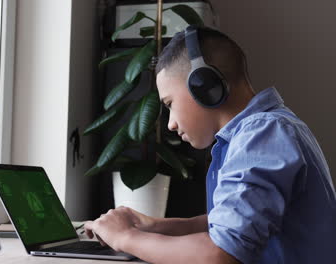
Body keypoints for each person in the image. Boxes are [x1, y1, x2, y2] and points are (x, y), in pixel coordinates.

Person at [84, 26, 336, 264]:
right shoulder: (259, 132)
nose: (170, 124)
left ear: (204, 86)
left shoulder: (263, 133)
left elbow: (220, 255)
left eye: (170, 103)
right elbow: (230, 222)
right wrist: (155, 226)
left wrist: (124, 237)